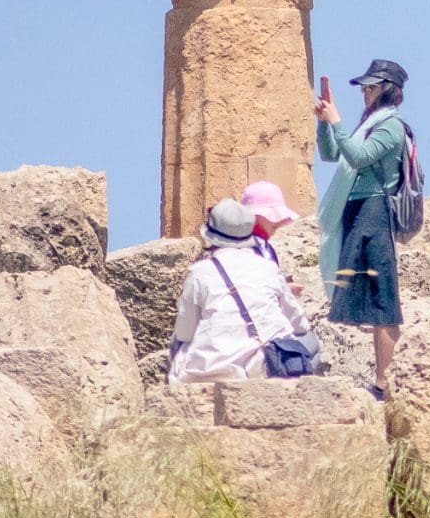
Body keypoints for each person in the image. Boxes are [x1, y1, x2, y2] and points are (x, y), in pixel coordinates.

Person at [315, 58, 410, 399]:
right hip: (355, 210)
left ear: (387, 89)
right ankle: (381, 380)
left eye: (371, 86)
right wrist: (324, 123)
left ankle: (385, 383)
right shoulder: (367, 124)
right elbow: (331, 154)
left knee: (383, 299)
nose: (365, 92)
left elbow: (358, 156)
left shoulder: (391, 127)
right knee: (369, 299)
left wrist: (337, 121)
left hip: (374, 211)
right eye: (364, 87)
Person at [167, 198, 310, 384]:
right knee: (309, 342)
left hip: (210, 367)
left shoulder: (199, 272)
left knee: (178, 343)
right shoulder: (269, 268)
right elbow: (300, 325)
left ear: (211, 236)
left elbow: (185, 333)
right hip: (265, 365)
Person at [238, 179, 307, 297]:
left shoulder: (265, 247)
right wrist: (283, 289)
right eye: (271, 216)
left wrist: (285, 289)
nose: (279, 221)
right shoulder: (239, 247)